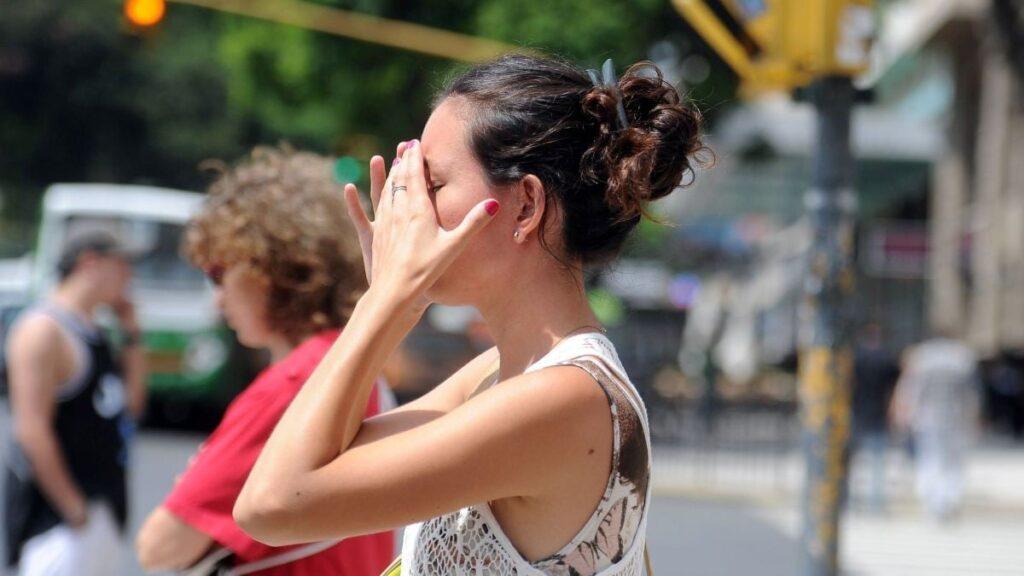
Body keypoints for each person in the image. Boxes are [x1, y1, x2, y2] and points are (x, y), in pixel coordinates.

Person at [233, 55, 706, 576]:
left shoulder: (565, 398)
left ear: (526, 205)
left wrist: (385, 299)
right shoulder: (496, 376)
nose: (408, 208)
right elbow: (322, 460)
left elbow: (272, 505)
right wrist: (400, 299)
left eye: (431, 185)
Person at [134, 146, 394, 575]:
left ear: (271, 267)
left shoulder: (295, 384)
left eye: (219, 273)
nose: (217, 298)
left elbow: (161, 546)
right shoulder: (354, 362)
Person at [4, 231, 147, 576]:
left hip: (104, 508)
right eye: (122, 265)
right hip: (58, 522)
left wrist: (131, 334)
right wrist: (74, 509)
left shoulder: (95, 330)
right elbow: (31, 429)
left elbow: (132, 406)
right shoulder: (43, 330)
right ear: (90, 263)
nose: (130, 277)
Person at [891, 333, 980, 521]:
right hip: (954, 418)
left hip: (929, 418)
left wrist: (904, 415)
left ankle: (934, 501)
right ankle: (946, 500)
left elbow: (910, 391)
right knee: (951, 462)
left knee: (931, 459)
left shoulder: (923, 358)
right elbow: (971, 394)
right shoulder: (961, 359)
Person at [850, 323, 899, 512]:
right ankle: (876, 503)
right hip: (879, 413)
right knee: (877, 462)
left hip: (857, 412)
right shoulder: (887, 360)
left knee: (853, 462)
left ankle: (851, 501)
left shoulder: (856, 359)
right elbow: (895, 387)